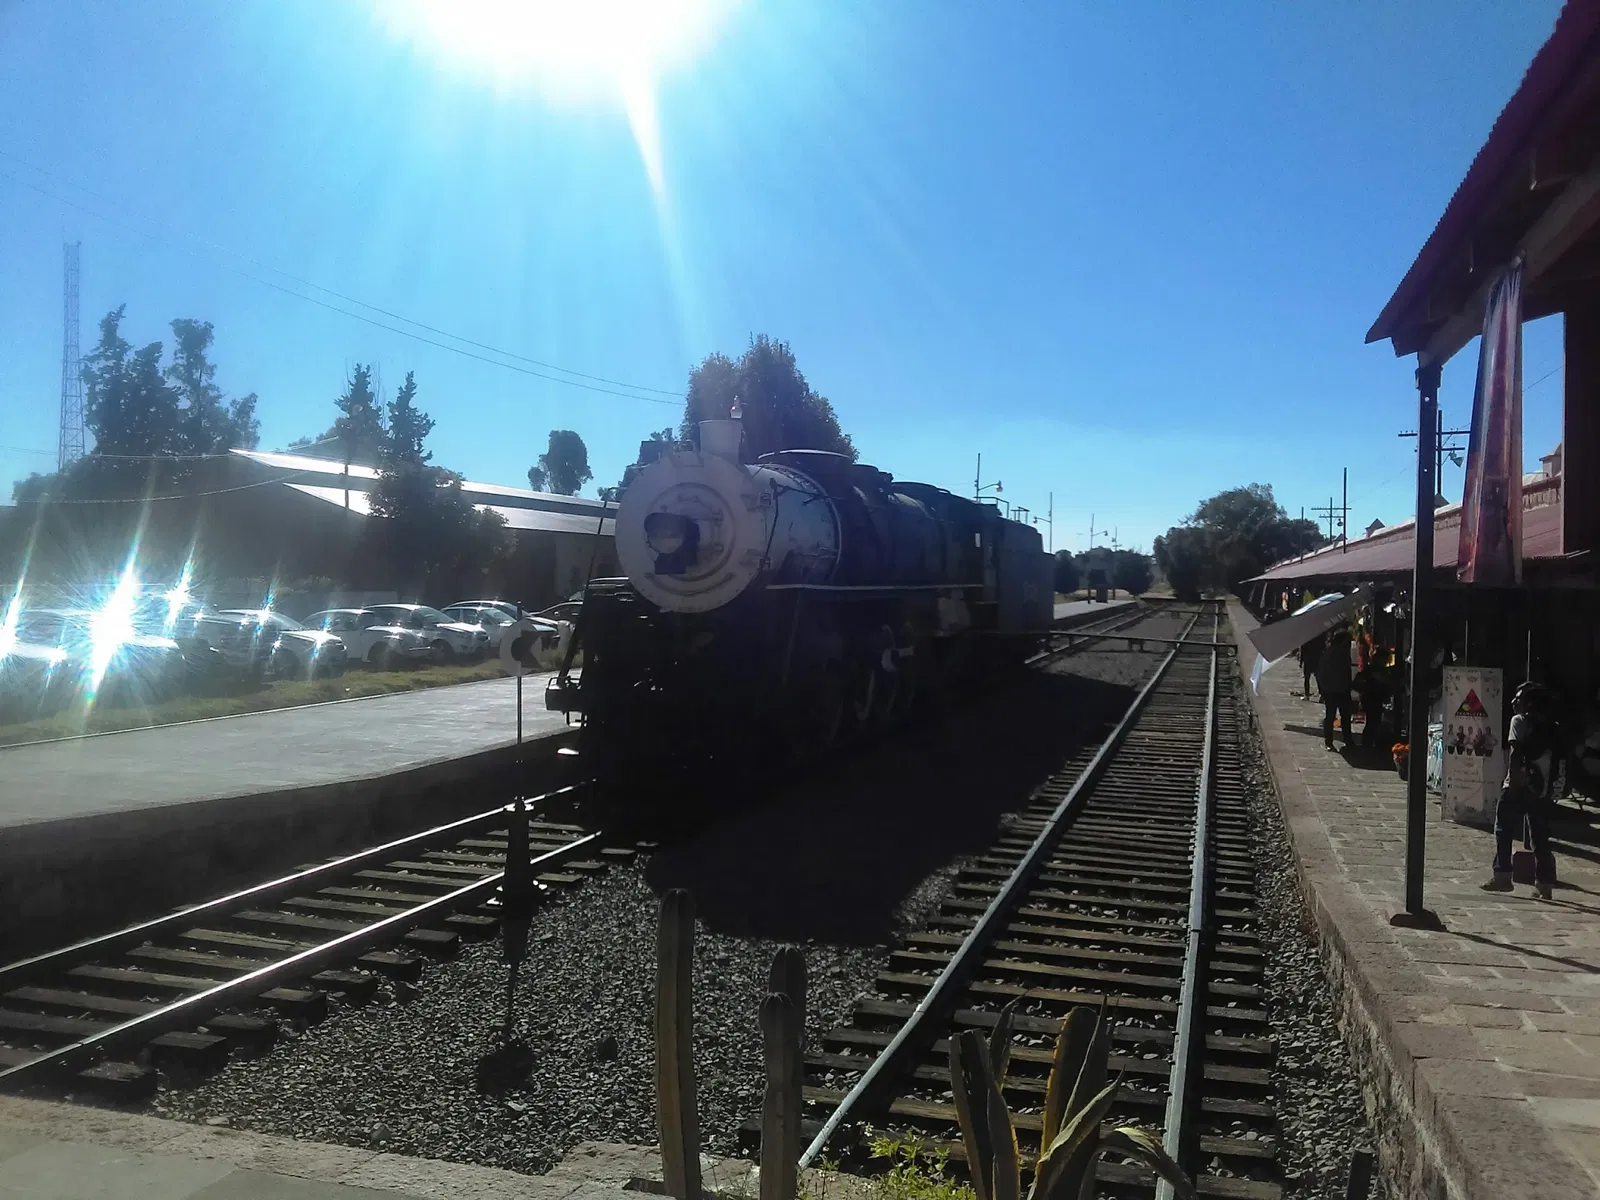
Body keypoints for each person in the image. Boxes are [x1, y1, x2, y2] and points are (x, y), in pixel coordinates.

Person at [1482, 681, 1558, 899]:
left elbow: (1516, 754)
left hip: (1519, 784)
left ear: (1528, 703)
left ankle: (1503, 876)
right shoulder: (1551, 726)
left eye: (1518, 698)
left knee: (1503, 829)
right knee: (1540, 836)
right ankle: (1545, 884)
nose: (1514, 701)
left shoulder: (1519, 721)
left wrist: (1512, 784)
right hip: (1541, 787)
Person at [1317, 625, 1354, 751]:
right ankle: (1345, 741)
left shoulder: (1331, 652)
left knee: (1332, 716)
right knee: (1340, 717)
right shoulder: (1336, 654)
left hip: (1333, 689)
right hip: (1337, 689)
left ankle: (1332, 742)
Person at [1298, 631, 1324, 700]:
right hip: (1317, 659)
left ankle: (1307, 695)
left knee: (1307, 678)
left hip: (1308, 659)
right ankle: (1321, 695)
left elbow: (1303, 650)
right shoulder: (1319, 636)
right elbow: (1323, 648)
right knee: (1318, 678)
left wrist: (1301, 661)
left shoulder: (1306, 638)